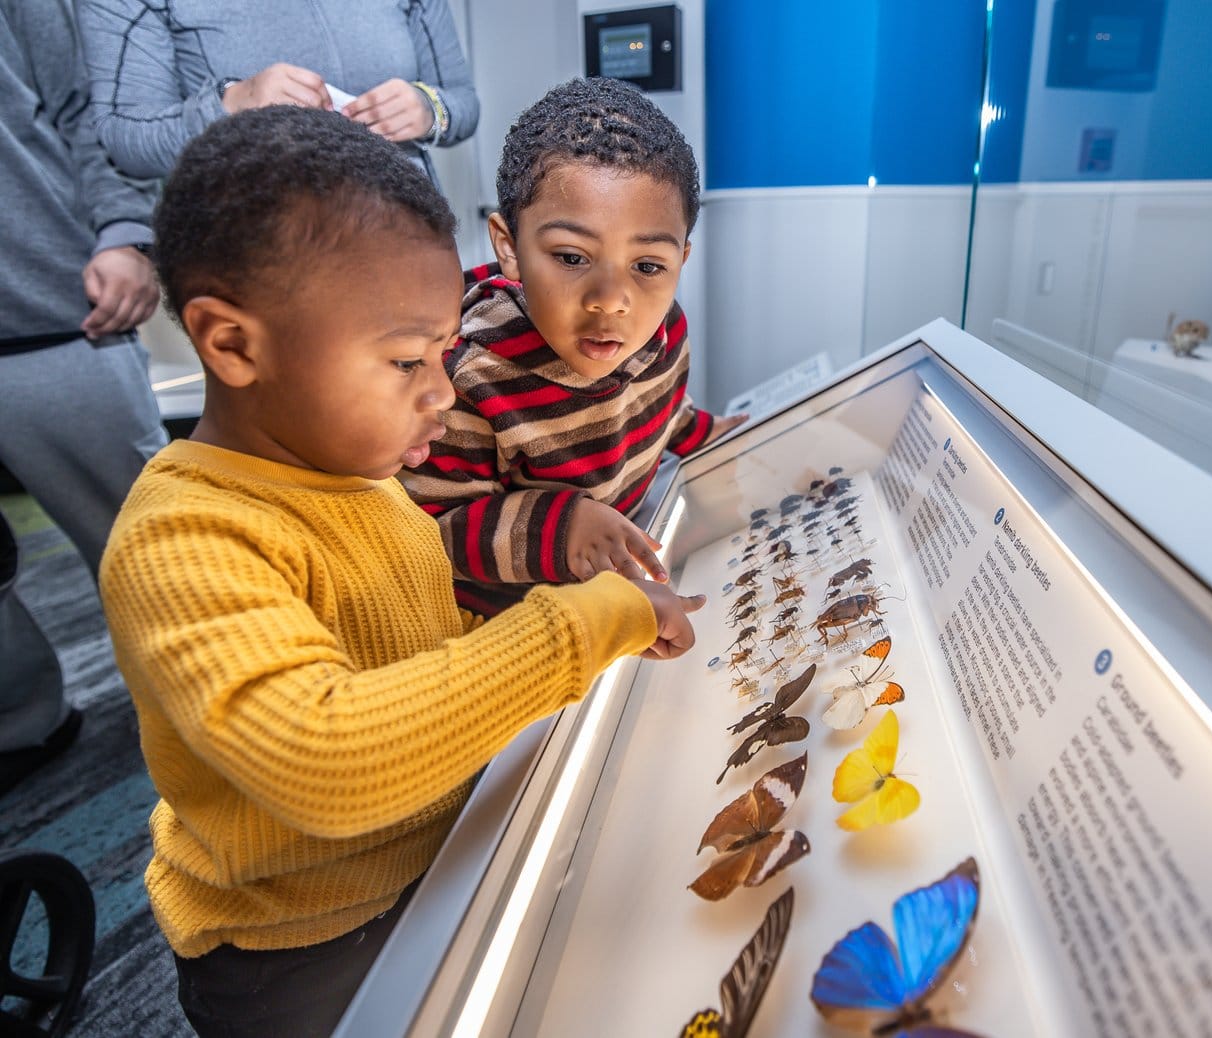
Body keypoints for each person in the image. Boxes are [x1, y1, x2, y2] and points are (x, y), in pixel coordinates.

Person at [97, 105, 703, 1037]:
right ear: (232, 344)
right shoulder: (181, 538)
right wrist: (576, 626)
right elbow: (325, 761)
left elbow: (426, 635)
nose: (444, 390)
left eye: (443, 351)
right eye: (405, 360)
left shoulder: (363, 481)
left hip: (434, 860)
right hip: (299, 945)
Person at [399, 77, 746, 617]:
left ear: (681, 257)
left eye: (648, 266)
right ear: (510, 249)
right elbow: (433, 531)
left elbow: (658, 409)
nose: (612, 302)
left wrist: (707, 433)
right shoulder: (469, 376)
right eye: (571, 257)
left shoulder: (662, 328)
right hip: (507, 623)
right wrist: (564, 529)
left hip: (607, 590)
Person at [0, 0, 168, 796]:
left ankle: (222, 734)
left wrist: (126, 232)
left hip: (50, 308)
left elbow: (81, 104)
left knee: (151, 550)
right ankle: (23, 726)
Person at [76, 0, 478, 184]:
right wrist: (231, 106)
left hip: (412, 242)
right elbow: (124, 137)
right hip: (260, 266)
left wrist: (429, 108)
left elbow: (462, 102)